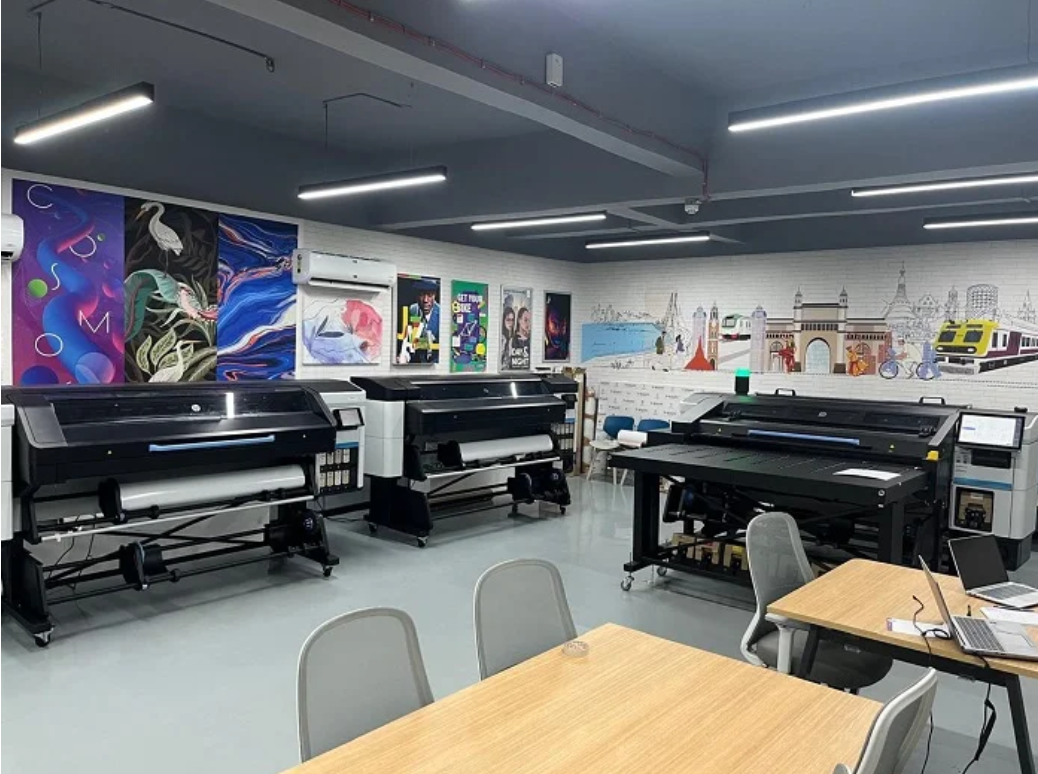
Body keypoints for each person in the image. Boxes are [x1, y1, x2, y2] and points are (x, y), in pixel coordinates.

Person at [398, 278, 440, 364]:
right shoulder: (413, 310)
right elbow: (410, 338)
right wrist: (405, 356)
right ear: (417, 296)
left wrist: (419, 343)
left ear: (434, 295)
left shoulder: (441, 314)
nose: (425, 300)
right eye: (421, 295)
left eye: (429, 295)